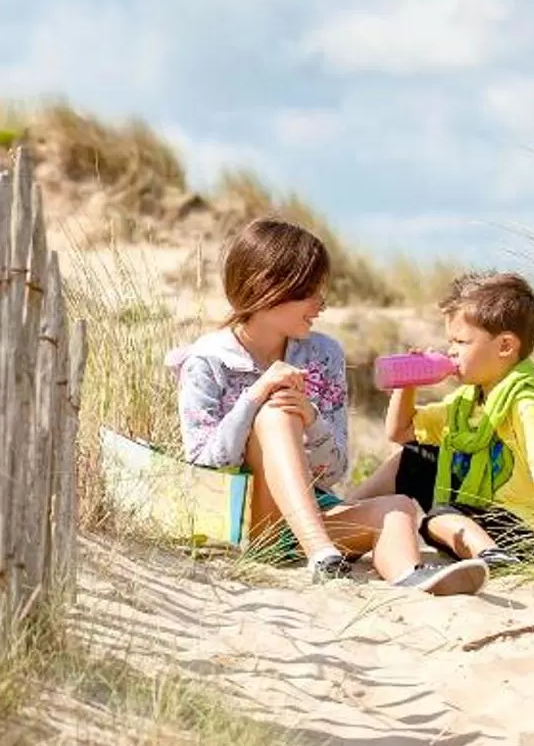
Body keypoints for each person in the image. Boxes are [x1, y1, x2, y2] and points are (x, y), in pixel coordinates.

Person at [167, 216, 488, 595]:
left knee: (397, 506)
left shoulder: (323, 354)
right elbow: (204, 464)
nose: (321, 303)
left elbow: (334, 470)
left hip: (303, 523)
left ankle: (410, 576)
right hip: (243, 520)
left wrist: (313, 418)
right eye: (310, 292)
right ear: (268, 288)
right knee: (275, 413)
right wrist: (255, 398)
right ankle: (322, 555)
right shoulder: (207, 360)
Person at [370, 271, 534, 570]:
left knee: (438, 518)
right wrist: (408, 383)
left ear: (505, 347)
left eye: (461, 341)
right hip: (476, 515)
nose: (451, 350)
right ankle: (343, 514)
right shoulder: (467, 402)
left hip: (523, 532)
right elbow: (401, 432)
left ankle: (490, 555)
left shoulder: (525, 404)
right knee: (414, 457)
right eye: (449, 341)